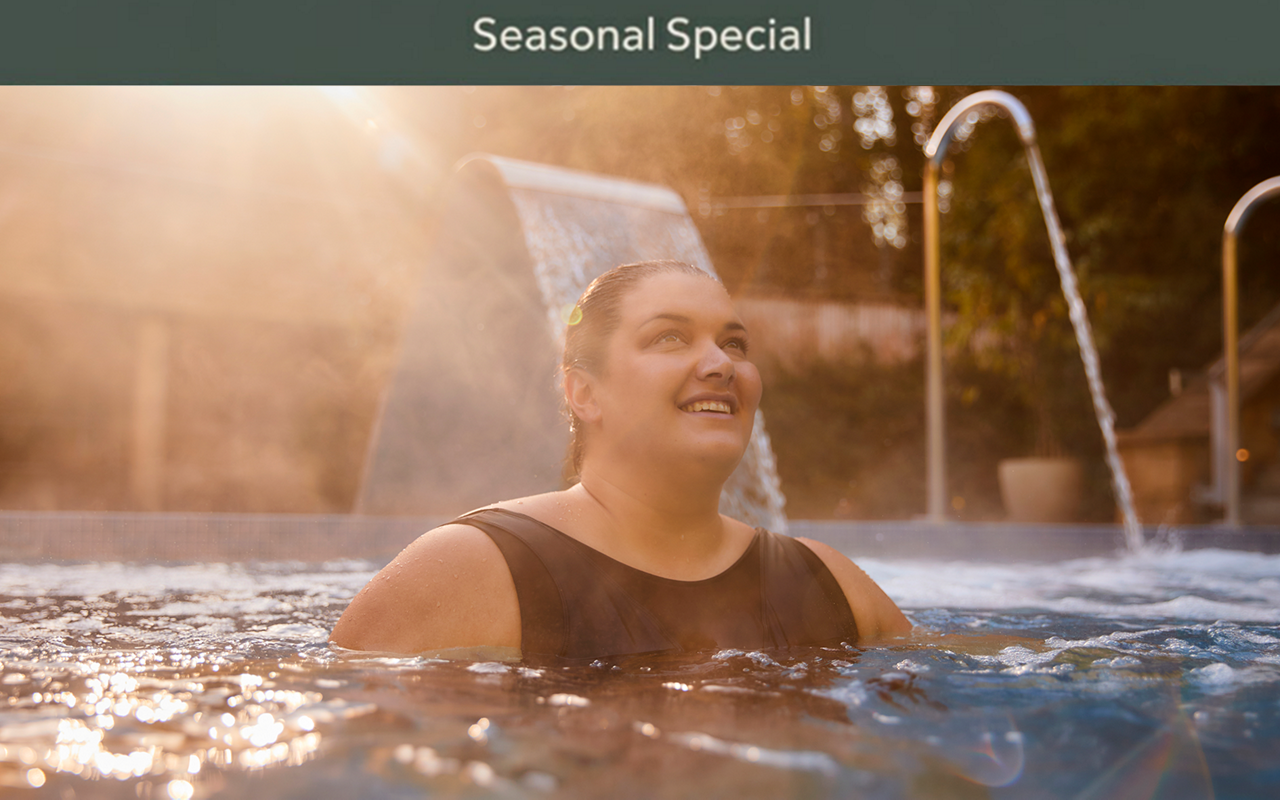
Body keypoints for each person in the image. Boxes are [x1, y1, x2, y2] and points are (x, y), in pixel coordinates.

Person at [330, 260, 910, 662]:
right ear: (584, 393)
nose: (721, 364)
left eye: (734, 343)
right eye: (670, 338)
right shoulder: (468, 571)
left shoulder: (828, 585)